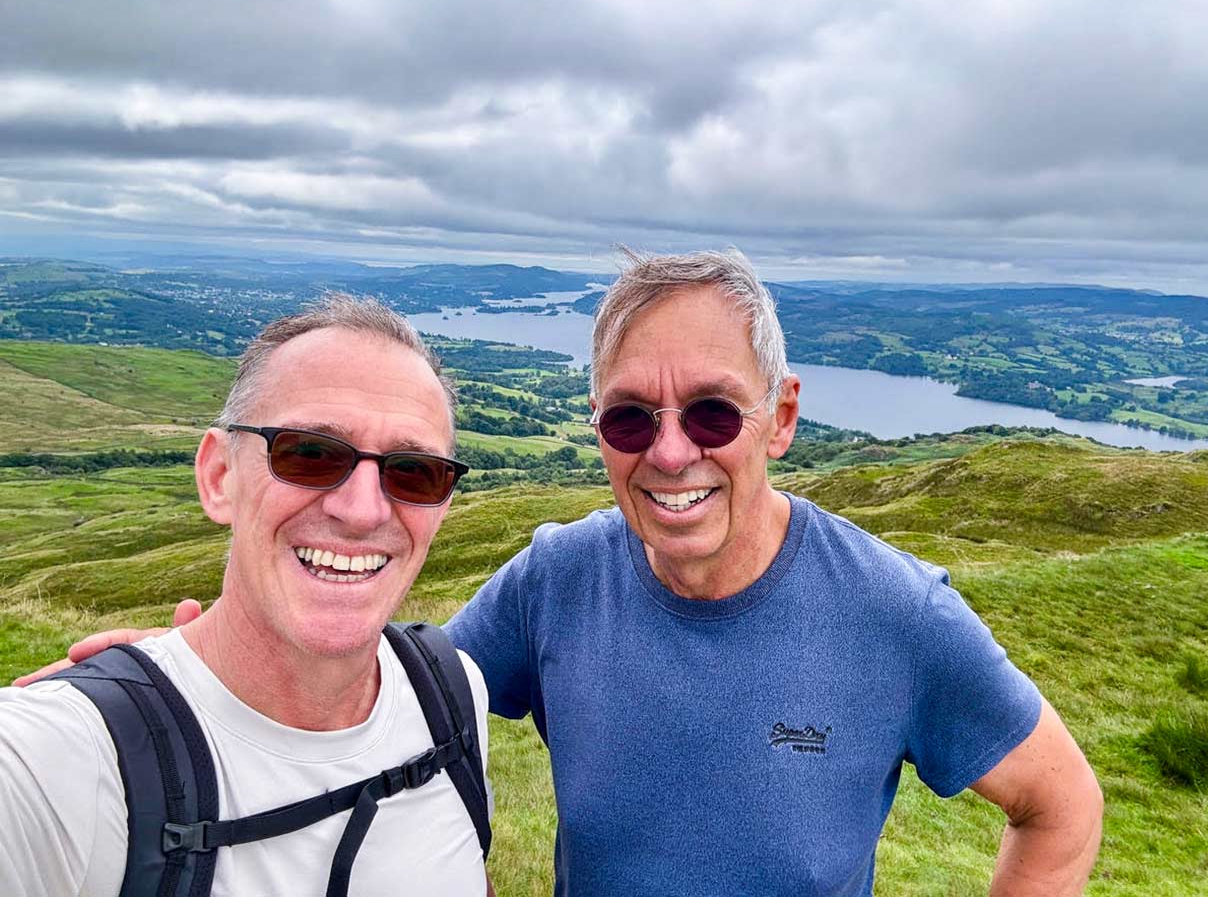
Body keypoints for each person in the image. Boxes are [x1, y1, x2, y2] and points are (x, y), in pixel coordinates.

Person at [19, 250, 1103, 895]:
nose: (669, 451)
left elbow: (1060, 807)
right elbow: (390, 690)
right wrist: (192, 682)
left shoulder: (896, 615)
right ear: (598, 430)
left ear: (779, 418)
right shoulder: (558, 579)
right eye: (630, 416)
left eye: (713, 411)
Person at [0, 296, 494, 896]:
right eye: (310, 453)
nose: (363, 510)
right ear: (219, 476)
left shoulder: (449, 691)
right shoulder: (51, 763)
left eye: (414, 470)